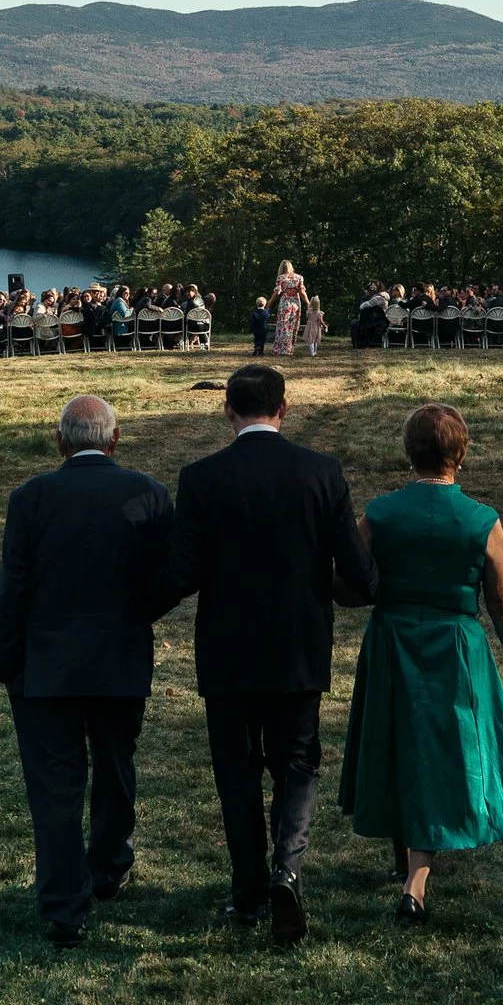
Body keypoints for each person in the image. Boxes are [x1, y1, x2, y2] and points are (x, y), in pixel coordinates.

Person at [160, 363, 377, 944]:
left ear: (227, 410)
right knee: (298, 760)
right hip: (298, 642)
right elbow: (357, 569)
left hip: (227, 646)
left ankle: (249, 889)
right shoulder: (321, 472)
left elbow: (181, 572)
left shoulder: (201, 478)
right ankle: (288, 867)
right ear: (285, 409)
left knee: (236, 771)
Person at [339, 403, 503, 925]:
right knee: (442, 748)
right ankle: (415, 882)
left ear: (410, 452)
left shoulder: (380, 514)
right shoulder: (482, 519)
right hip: (454, 644)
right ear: (461, 452)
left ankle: (405, 864)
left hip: (392, 639)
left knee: (400, 740)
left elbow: (352, 579)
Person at [0, 395, 179, 948]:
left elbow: (15, 586)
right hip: (120, 654)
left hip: (45, 663)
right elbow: (167, 578)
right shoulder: (148, 493)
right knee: (117, 767)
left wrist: (5, 660)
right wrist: (136, 615)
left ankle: (64, 905)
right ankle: (109, 864)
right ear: (115, 440)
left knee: (54, 787)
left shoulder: (32, 497)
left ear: (60, 442)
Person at [271, 259, 306, 356]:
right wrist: (308, 303)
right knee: (293, 326)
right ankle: (290, 349)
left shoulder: (281, 278)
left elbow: (277, 292)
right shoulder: (299, 278)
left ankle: (281, 349)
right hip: (295, 303)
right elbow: (302, 292)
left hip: (285, 303)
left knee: (283, 325)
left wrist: (270, 302)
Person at [303, 289, 326, 358]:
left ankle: (312, 352)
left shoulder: (309, 312)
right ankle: (314, 352)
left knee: (311, 340)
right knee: (315, 340)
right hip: (317, 327)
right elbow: (321, 321)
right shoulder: (319, 313)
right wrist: (324, 326)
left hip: (310, 326)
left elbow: (307, 316)